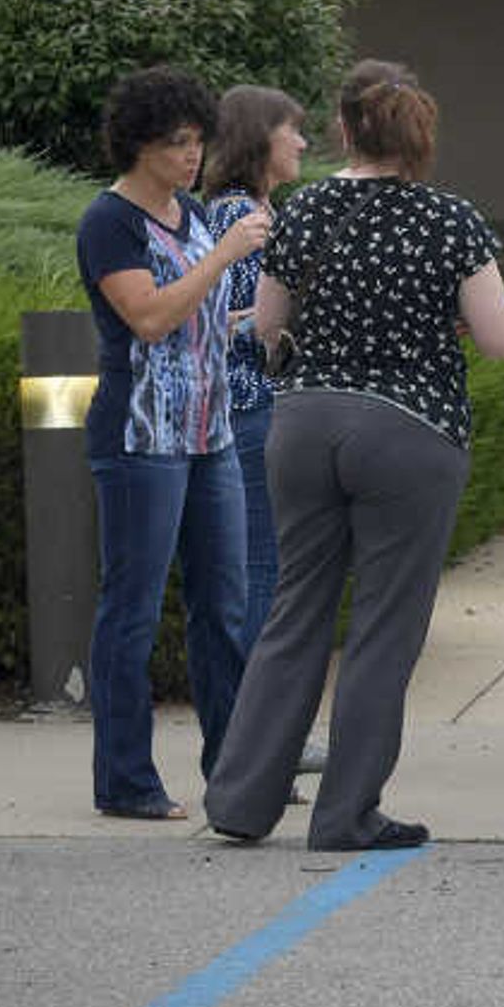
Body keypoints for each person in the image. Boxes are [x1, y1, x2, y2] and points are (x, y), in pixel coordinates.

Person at [206, 65, 504, 850]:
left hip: (304, 423)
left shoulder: (301, 208)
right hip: (411, 430)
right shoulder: (453, 220)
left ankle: (240, 800)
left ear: (345, 130)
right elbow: (501, 337)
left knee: (295, 610)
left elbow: (269, 329)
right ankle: (344, 814)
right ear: (421, 135)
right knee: (383, 625)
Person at [75, 65, 272, 822]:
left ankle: (234, 770)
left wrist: (254, 320)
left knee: (222, 606)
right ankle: (125, 780)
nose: (191, 156)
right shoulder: (110, 222)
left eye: (197, 141)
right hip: (140, 440)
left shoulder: (189, 212)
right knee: (132, 607)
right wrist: (223, 255)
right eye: (174, 143)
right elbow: (150, 319)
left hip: (209, 433)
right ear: (137, 145)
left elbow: (194, 322)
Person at [193, 82, 307, 673]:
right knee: (262, 567)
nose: (303, 142)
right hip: (248, 407)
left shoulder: (255, 212)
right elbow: (220, 320)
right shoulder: (241, 217)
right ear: (263, 139)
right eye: (293, 131)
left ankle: (256, 720)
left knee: (264, 566)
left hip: (256, 406)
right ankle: (258, 723)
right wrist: (293, 320)